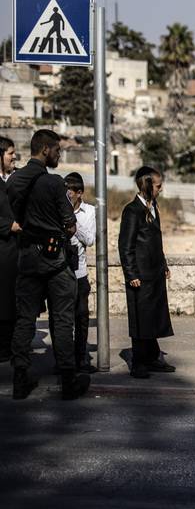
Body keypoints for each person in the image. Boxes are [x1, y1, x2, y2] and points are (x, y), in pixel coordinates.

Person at [7, 130, 88, 399]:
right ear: (44, 150)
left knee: (25, 321)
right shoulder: (54, 184)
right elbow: (70, 223)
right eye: (56, 150)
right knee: (63, 320)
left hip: (27, 259)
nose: (58, 155)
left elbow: (14, 216)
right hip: (54, 262)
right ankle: (68, 380)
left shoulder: (15, 180)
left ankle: (20, 378)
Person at [119, 165, 175, 380]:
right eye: (158, 185)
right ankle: (139, 362)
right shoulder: (132, 211)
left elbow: (154, 241)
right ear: (147, 184)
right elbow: (126, 246)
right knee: (141, 319)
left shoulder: (153, 207)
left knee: (153, 317)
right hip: (140, 276)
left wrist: (164, 263)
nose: (161, 189)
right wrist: (131, 274)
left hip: (154, 273)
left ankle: (152, 358)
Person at [63, 173, 97, 373]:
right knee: (61, 319)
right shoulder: (57, 208)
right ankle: (63, 360)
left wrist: (73, 228)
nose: (66, 197)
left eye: (69, 193)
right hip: (60, 271)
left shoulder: (89, 211)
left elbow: (90, 239)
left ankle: (80, 357)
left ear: (79, 193)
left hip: (79, 272)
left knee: (82, 317)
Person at [0, 136, 19, 365]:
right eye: (10, 153)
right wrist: (8, 226)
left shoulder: (16, 179)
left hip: (14, 251)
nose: (14, 157)